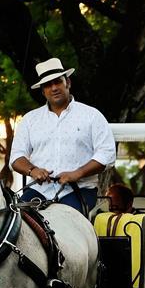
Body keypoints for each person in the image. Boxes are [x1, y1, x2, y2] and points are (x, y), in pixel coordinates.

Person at [11, 57, 116, 214]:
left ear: (68, 83)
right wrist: (33, 170)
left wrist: (77, 173)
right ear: (43, 91)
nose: (54, 88)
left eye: (57, 82)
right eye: (48, 85)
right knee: (16, 219)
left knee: (66, 224)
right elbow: (16, 157)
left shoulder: (92, 115)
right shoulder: (30, 119)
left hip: (79, 190)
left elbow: (106, 155)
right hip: (40, 191)